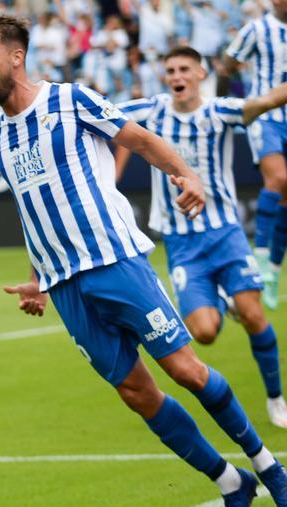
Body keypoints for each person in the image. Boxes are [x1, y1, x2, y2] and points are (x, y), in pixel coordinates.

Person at [0, 15, 287, 507]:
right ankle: (232, 483)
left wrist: (186, 175)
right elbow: (31, 209)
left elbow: (139, 140)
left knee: (185, 370)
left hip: (116, 261)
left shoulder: (70, 100)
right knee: (137, 394)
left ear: (15, 56)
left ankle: (269, 466)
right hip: (66, 285)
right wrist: (37, 278)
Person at [115, 46, 287, 428]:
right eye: (171, 70)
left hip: (225, 233)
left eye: (184, 69)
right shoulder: (151, 111)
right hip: (182, 243)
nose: (177, 76)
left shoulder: (217, 110)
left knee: (254, 313)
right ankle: (224, 301)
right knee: (204, 334)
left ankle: (276, 398)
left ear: (200, 73)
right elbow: (103, 114)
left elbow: (264, 101)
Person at [226, 0, 287, 309]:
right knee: (278, 178)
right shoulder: (257, 30)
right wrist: (228, 102)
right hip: (267, 116)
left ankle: (274, 270)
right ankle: (260, 257)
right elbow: (228, 62)